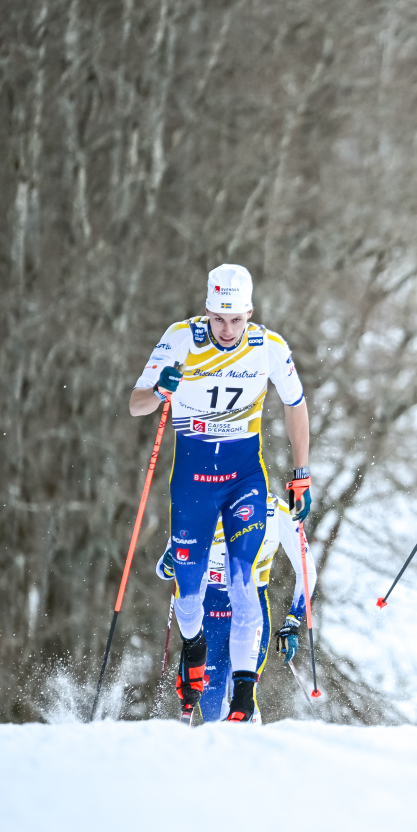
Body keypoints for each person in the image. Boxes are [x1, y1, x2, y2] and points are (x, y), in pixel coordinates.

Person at [130, 264, 312, 722]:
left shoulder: (268, 346)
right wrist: (160, 389)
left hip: (244, 475)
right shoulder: (180, 339)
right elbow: (137, 405)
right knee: (188, 594)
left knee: (242, 578)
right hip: (192, 480)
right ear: (206, 312)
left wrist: (301, 472)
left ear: (249, 312)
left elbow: (296, 405)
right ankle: (192, 647)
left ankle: (244, 696)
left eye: (237, 319)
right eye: (218, 319)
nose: (227, 330)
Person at [156, 493, 317, 723]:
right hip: (211, 608)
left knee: (244, 699)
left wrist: (293, 621)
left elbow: (307, 570)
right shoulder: (200, 505)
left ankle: (251, 748)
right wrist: (172, 562)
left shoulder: (277, 510)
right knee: (211, 709)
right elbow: (164, 569)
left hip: (252, 604)